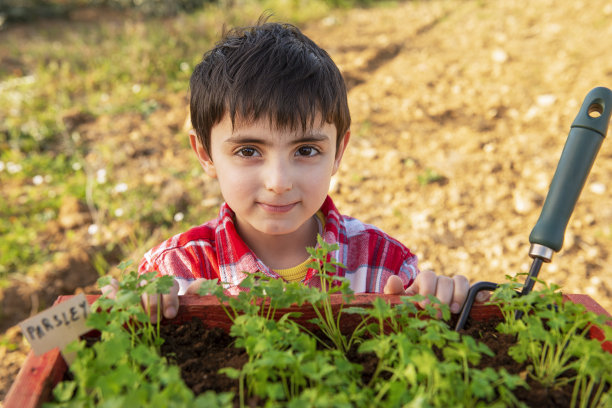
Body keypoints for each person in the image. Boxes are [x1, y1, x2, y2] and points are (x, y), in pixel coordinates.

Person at [104, 18, 485, 322]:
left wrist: (441, 301)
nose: (279, 182)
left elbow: (433, 330)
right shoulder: (176, 271)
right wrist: (128, 308)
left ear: (338, 152)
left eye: (306, 150)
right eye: (249, 150)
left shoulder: (384, 266)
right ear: (205, 154)